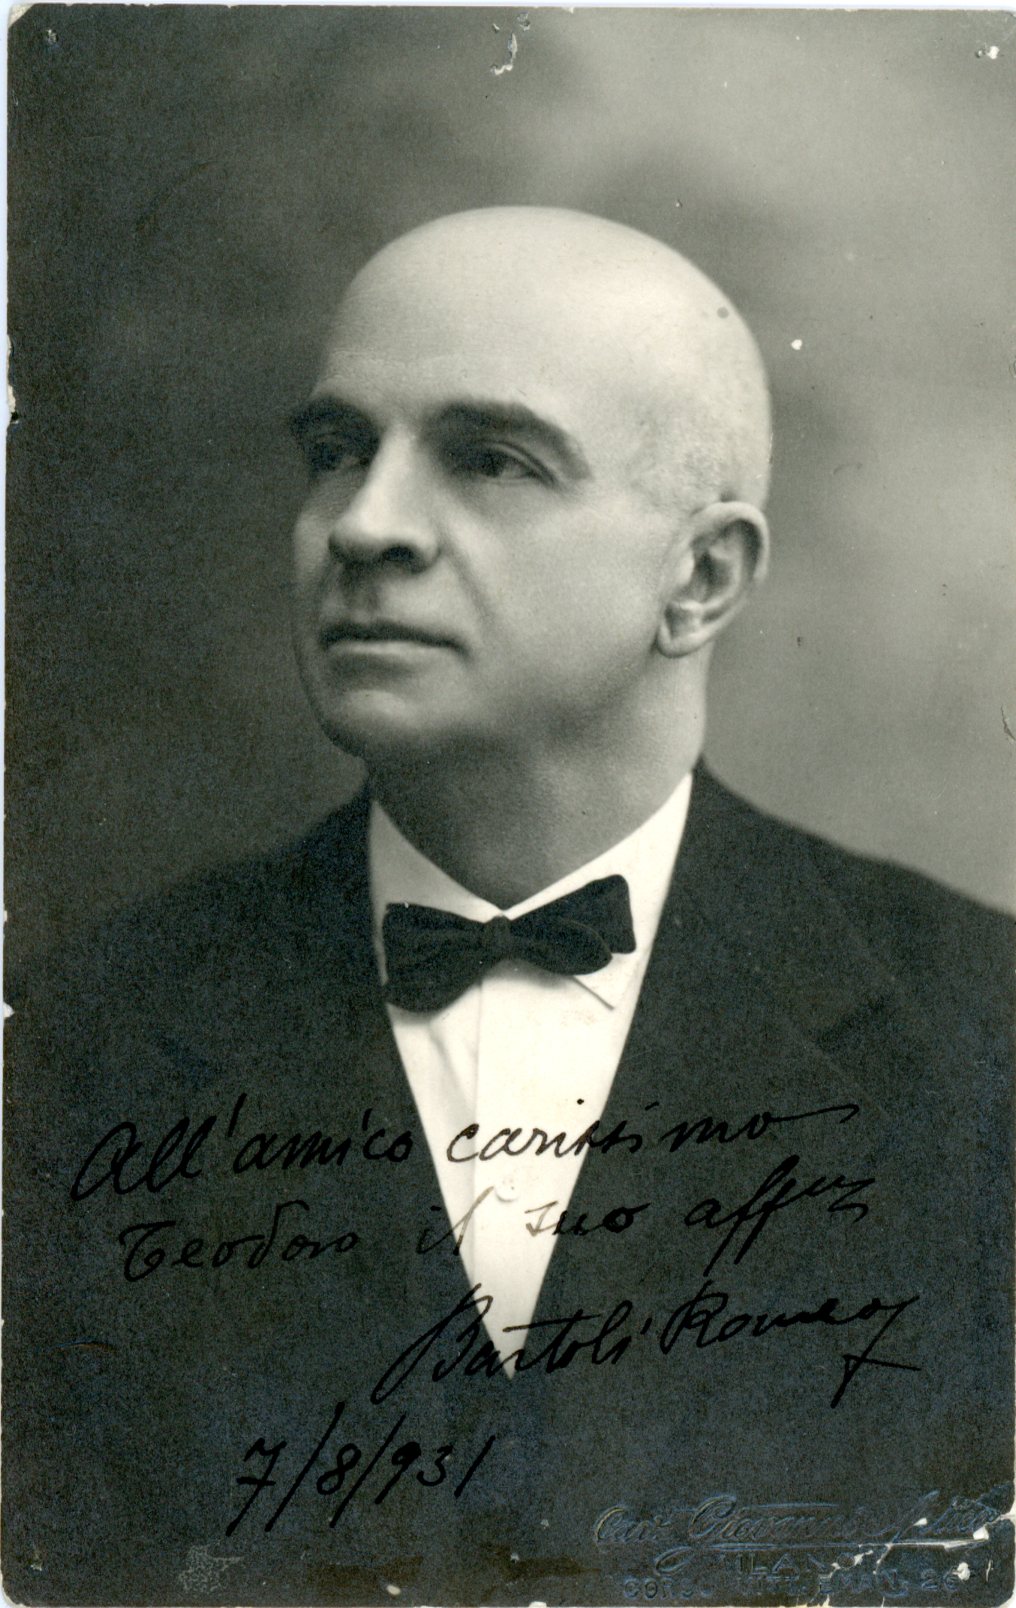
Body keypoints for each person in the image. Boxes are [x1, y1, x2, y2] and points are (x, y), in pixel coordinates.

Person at [4, 208, 1012, 1608]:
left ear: (701, 579)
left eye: (490, 460)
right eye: (336, 450)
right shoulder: (71, 1041)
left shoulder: (982, 1039)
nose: (364, 525)